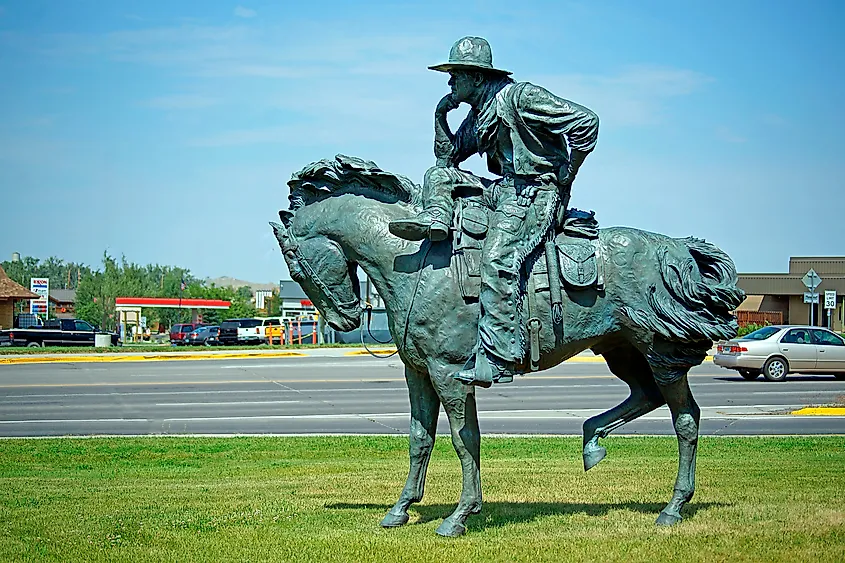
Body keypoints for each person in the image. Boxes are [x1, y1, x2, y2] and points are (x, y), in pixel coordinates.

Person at [389, 37, 599, 387]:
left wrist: (568, 172)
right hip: (504, 191)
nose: (450, 82)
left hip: (538, 193)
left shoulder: (522, 98)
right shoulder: (479, 114)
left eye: (455, 75)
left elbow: (587, 122)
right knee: (437, 176)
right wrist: (441, 114)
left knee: (496, 258)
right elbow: (447, 158)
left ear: (476, 77)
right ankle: (437, 220)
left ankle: (499, 356)